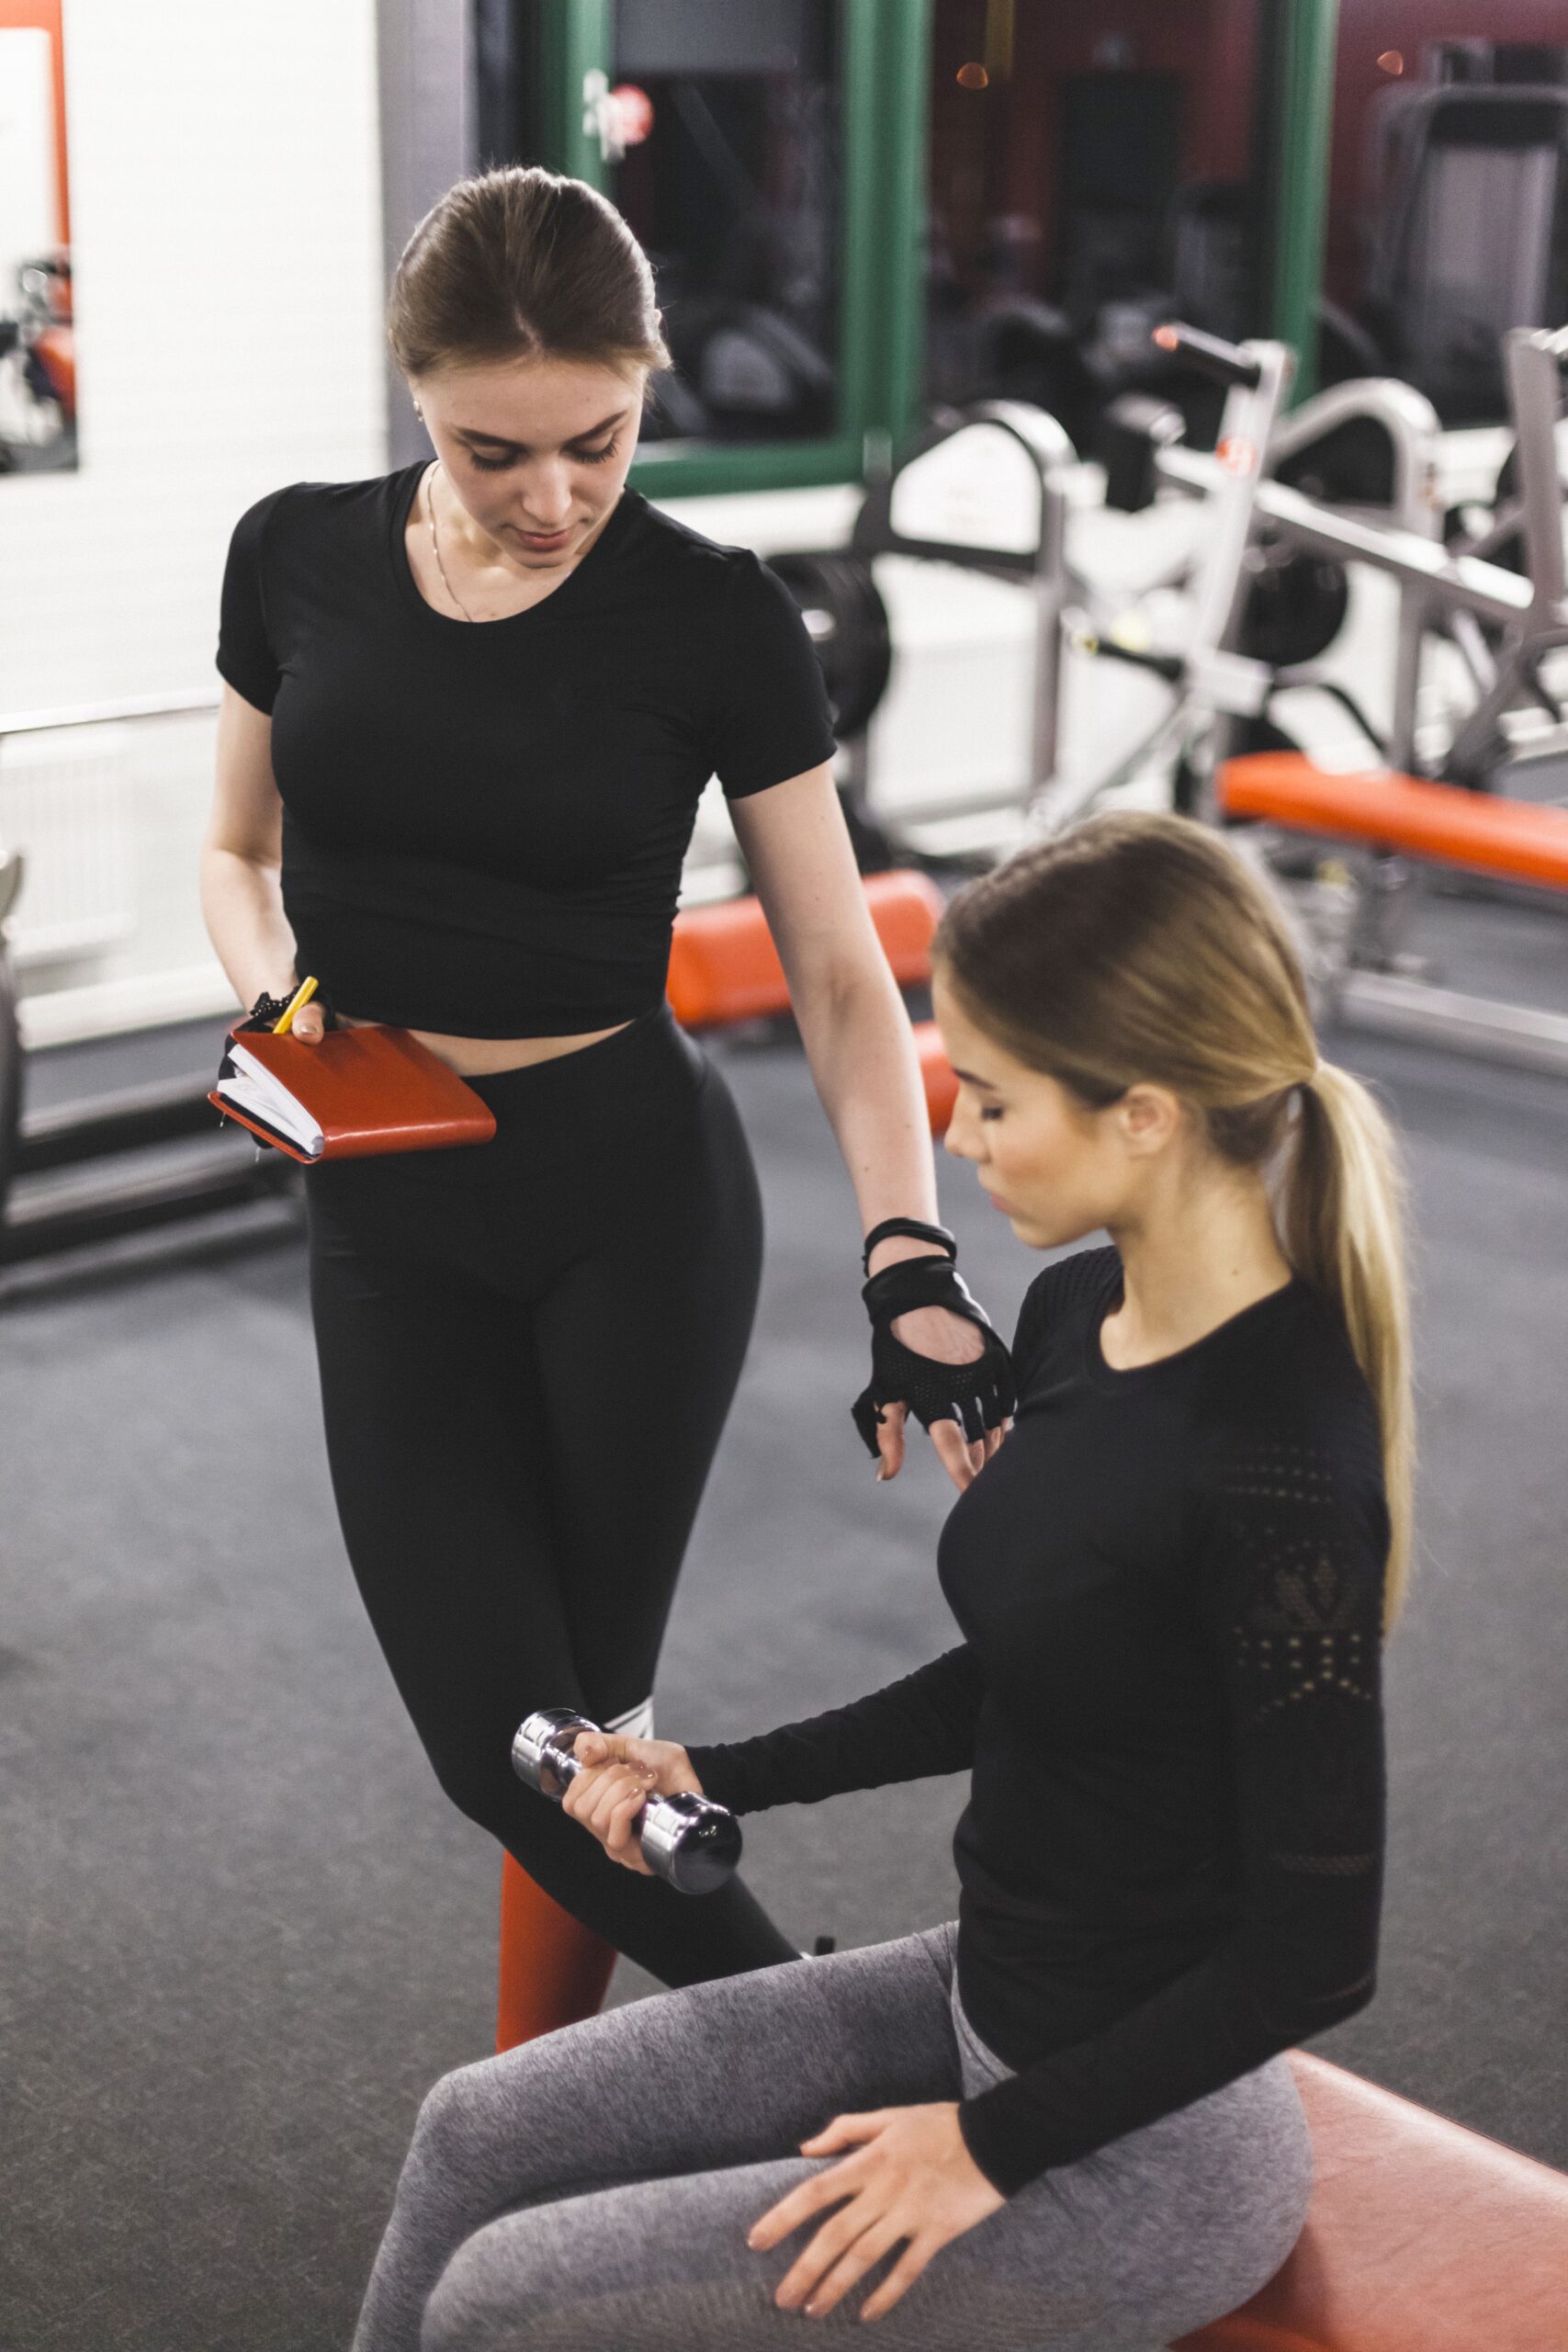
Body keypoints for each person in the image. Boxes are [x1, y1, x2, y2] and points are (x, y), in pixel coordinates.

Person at [350, 811, 1410, 2351]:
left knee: (510, 2306)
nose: (955, 1140)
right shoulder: (1075, 1308)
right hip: (982, 1996)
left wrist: (985, 2148)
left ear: (1148, 1115)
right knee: (473, 2133)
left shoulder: (1282, 1471)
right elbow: (1036, 1666)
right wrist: (716, 1770)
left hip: (1135, 2159)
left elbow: (1320, 1952)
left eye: (989, 1098)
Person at [199, 165, 1013, 2036]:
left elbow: (831, 969)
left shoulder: (712, 614)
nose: (554, 496)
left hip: (627, 1197)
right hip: (386, 1184)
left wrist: (905, 1249)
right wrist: (288, 1020)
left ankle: (596, 2088)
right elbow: (235, 851)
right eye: (495, 451)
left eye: (600, 441)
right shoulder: (290, 552)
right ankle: (838, 2045)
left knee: (592, 1719)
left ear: (646, 388)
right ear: (413, 390)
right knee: (502, 1737)